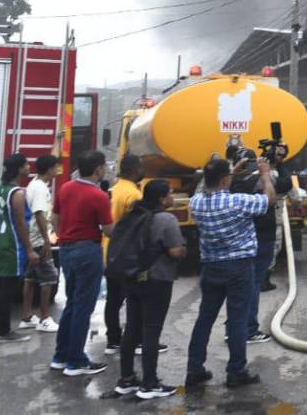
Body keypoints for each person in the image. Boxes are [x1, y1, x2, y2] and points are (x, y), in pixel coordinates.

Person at [186, 156, 276, 389]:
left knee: (205, 318)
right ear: (226, 179)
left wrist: (231, 172)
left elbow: (204, 187)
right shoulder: (237, 202)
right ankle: (236, 371)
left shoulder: (196, 203)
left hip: (211, 266)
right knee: (237, 319)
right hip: (239, 267)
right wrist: (265, 173)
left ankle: (194, 368)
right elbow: (269, 200)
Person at [113, 179, 186, 400]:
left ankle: (126, 380)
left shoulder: (132, 214)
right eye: (171, 194)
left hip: (131, 278)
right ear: (162, 198)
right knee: (151, 332)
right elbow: (175, 252)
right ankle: (150, 383)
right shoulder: (166, 219)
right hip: (157, 280)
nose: (173, 198)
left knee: (132, 328)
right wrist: (183, 250)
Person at [51, 149, 113, 376]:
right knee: (83, 307)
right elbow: (108, 229)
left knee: (72, 303)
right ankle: (76, 360)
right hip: (88, 250)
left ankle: (61, 355)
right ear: (98, 168)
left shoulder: (66, 188)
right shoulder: (99, 196)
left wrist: (66, 235)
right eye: (103, 166)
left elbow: (54, 217)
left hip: (67, 249)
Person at [229, 147, 291, 340]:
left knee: (239, 285)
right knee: (254, 283)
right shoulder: (266, 179)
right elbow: (283, 186)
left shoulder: (235, 184)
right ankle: (248, 329)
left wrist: (235, 171)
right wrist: (275, 166)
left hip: (241, 239)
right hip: (262, 236)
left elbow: (226, 185)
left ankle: (233, 329)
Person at [0, 153, 38, 342]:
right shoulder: (18, 193)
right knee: (7, 288)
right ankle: (4, 331)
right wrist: (29, 249)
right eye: (26, 165)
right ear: (19, 169)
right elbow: (21, 224)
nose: (29, 167)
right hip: (11, 245)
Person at [104, 154, 144, 354]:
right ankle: (135, 340)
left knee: (113, 300)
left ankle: (113, 340)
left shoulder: (116, 188)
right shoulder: (134, 195)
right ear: (135, 169)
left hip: (110, 251)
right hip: (127, 253)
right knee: (134, 300)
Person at [19, 155, 60, 332]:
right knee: (49, 278)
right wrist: (46, 240)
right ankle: (45, 318)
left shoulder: (34, 184)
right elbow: (39, 214)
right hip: (38, 240)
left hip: (32, 238)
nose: (58, 170)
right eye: (56, 167)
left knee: (31, 279)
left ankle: (27, 317)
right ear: (50, 169)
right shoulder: (40, 188)